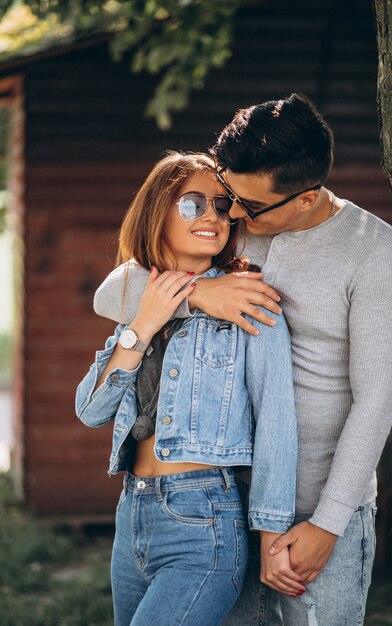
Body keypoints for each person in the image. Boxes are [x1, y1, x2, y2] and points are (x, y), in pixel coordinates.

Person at [93, 95, 392, 626]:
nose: (233, 213)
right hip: (223, 505)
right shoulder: (231, 228)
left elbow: (376, 405)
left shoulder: (373, 255)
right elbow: (112, 294)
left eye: (248, 204)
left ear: (307, 197)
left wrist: (328, 525)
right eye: (228, 194)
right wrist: (199, 296)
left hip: (316, 508)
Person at [75, 152, 298, 626]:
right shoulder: (139, 300)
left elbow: (277, 420)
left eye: (222, 205)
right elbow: (91, 410)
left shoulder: (249, 299)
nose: (213, 217)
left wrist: (271, 532)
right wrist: (146, 322)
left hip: (204, 521)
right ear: (158, 211)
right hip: (132, 510)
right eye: (193, 204)